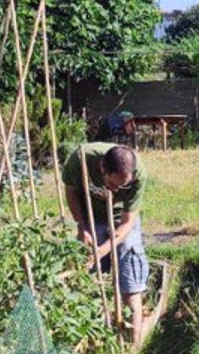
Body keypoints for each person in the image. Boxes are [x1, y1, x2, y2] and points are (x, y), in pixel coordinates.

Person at [62, 140, 151, 343]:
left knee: (130, 270)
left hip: (121, 220)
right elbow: (71, 192)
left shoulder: (138, 172)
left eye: (122, 186)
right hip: (91, 216)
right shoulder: (80, 160)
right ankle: (94, 334)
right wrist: (82, 226)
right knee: (88, 278)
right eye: (112, 184)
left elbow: (128, 222)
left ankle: (134, 344)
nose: (116, 191)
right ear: (102, 167)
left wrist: (102, 250)